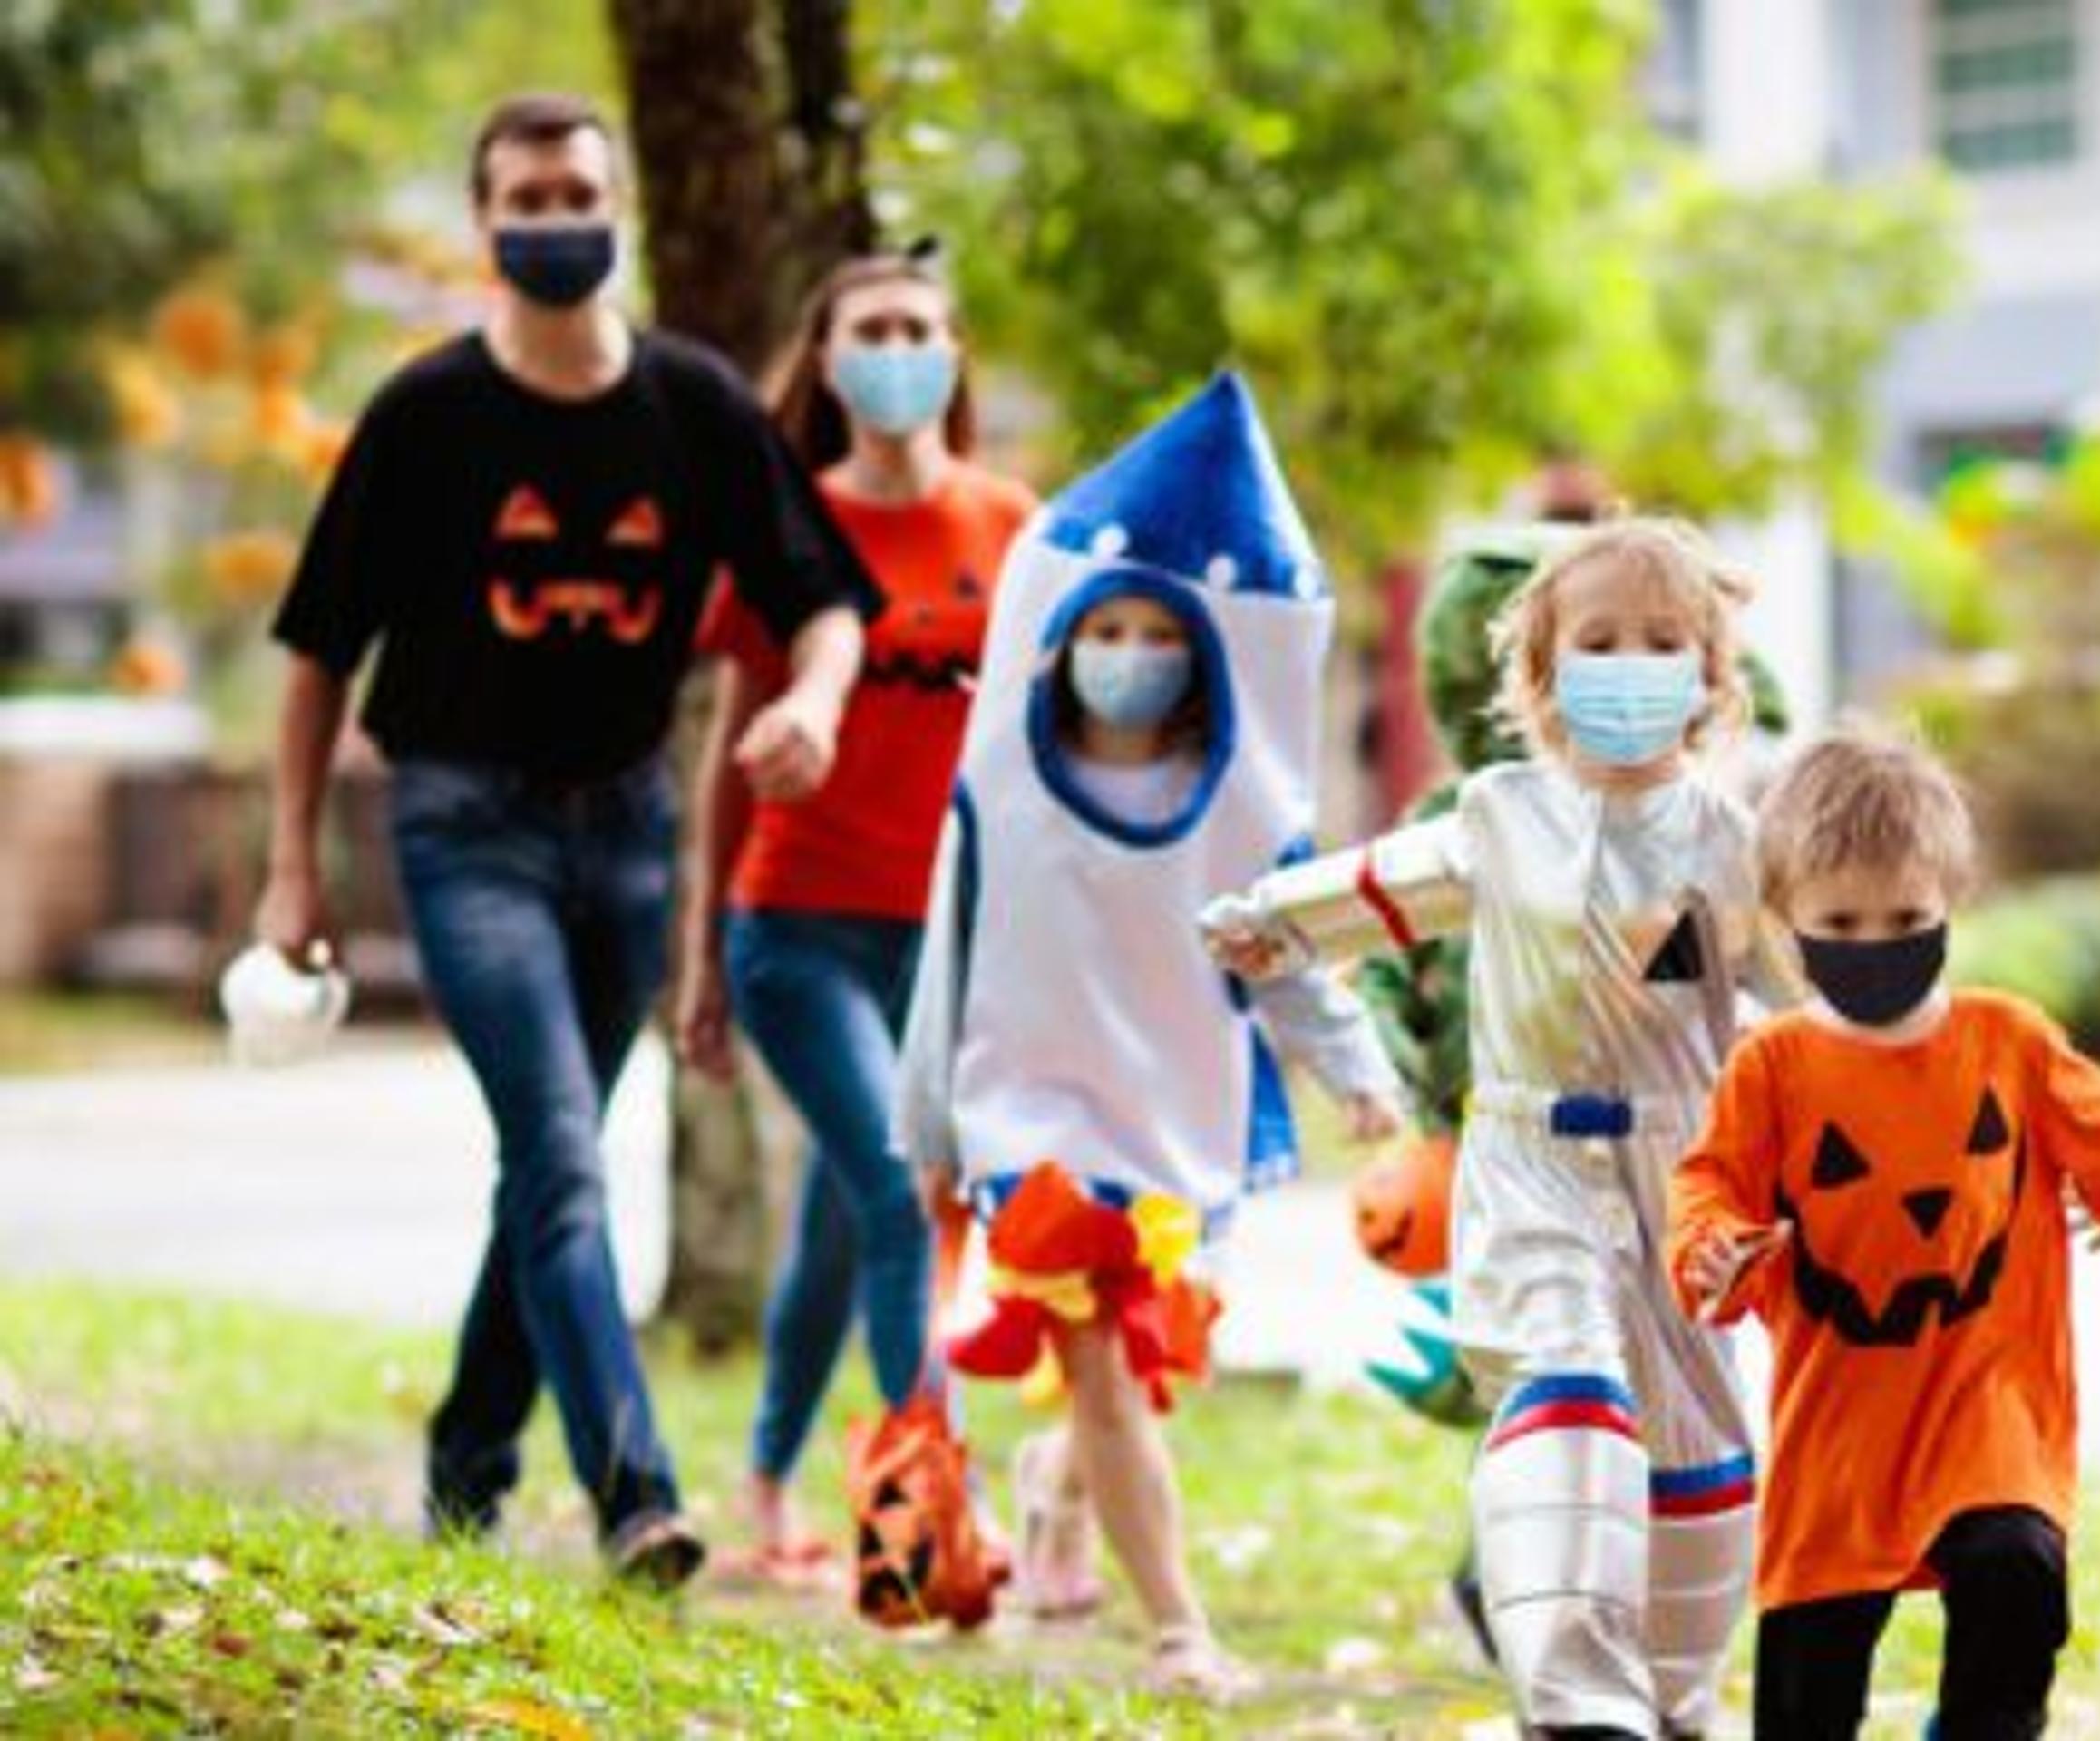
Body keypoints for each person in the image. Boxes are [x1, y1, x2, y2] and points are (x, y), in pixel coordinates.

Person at [257, 92, 872, 1587]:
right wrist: (291, 863)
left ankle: (468, 1460)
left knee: (553, 1169)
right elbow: (319, 648)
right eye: (524, 199)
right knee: (558, 1152)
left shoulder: (695, 403)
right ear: (485, 224)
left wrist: (823, 704)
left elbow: (824, 597)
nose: (553, 221)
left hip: (630, 834)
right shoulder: (426, 415)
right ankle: (634, 1495)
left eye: (576, 192)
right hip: (466, 825)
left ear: (618, 209)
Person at [1208, 517, 1779, 1739]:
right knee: (1566, 1376)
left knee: (1697, 1445)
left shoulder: (1731, 845)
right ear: (1540, 675)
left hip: (1684, 1168)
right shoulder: (1501, 811)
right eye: (1600, 641)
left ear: (1710, 677)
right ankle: (1576, 1700)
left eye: (1663, 642)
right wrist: (1278, 921)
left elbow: (1803, 987)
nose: (1630, 666)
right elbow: (1393, 880)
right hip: (1530, 1160)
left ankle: (1674, 1696)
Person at [895, 371, 1404, 1695]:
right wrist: (930, 1128)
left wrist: (1356, 1074)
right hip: (1035, 1120)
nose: (1127, 655)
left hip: (1182, 1121)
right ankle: (1182, 1626)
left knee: (1148, 1365)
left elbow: (1283, 956)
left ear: (1202, 651)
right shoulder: (1003, 789)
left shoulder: (1237, 811)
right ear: (1059, 637)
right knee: (1107, 1364)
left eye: (1154, 633)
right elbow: (952, 953)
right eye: (1102, 629)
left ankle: (1057, 1491)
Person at [1668, 729, 2100, 1740]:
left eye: (1906, 916)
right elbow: (1709, 1188)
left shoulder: (2008, 1046)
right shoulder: (1775, 1071)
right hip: (1839, 1440)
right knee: (1805, 1697)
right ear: (1786, 921)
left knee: (2017, 1569)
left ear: (1950, 903)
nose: (1877, 940)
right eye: (1842, 919)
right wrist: (1712, 1247)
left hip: (1993, 1406)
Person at [671, 248, 1038, 1587]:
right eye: (867, 327)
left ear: (954, 352)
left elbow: (1036, 747)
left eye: (917, 326)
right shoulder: (790, 525)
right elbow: (726, 752)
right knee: (899, 1192)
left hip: (949, 936)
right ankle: (928, 1505)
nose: (895, 348)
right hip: (797, 925)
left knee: (844, 1221)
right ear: (825, 362)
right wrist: (702, 949)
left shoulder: (1013, 526)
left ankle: (768, 1484)